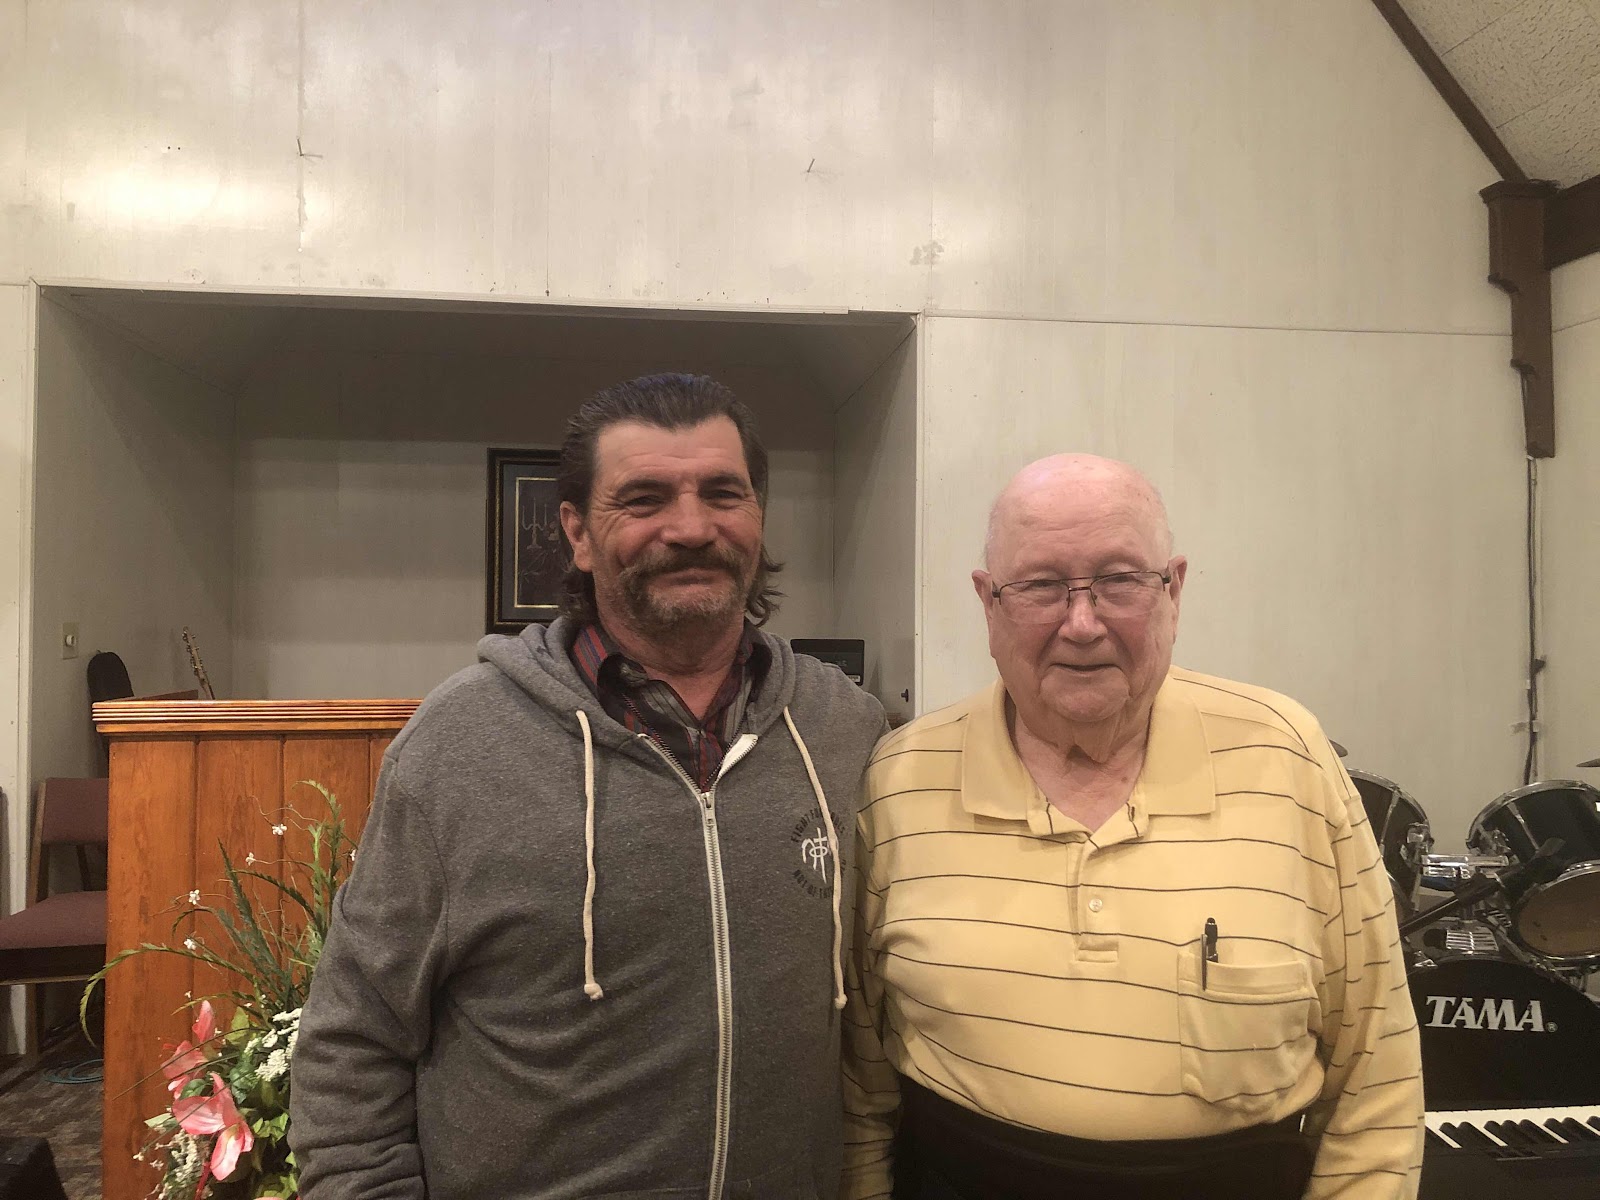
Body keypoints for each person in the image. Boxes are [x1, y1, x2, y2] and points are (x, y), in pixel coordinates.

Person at [291, 373, 887, 1199]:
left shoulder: (844, 729)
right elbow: (354, 1037)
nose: (691, 527)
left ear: (759, 514)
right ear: (575, 531)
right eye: (644, 499)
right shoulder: (459, 743)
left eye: (723, 493)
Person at [841, 454, 1423, 1200]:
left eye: (1119, 581)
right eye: (1041, 585)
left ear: (1173, 590)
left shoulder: (1289, 758)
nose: (1082, 625)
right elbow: (861, 1089)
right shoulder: (899, 780)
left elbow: (1376, 1077)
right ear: (989, 603)